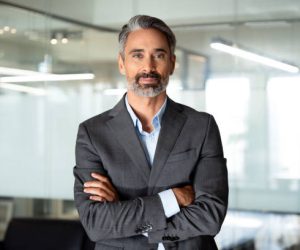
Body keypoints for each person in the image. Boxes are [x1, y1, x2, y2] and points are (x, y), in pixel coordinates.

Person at [74, 15, 228, 250]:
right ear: (122, 63)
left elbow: (210, 215)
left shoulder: (201, 126)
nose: (148, 67)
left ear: (172, 63)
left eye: (159, 55)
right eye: (137, 55)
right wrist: (174, 198)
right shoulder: (93, 133)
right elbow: (97, 224)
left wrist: (125, 218)